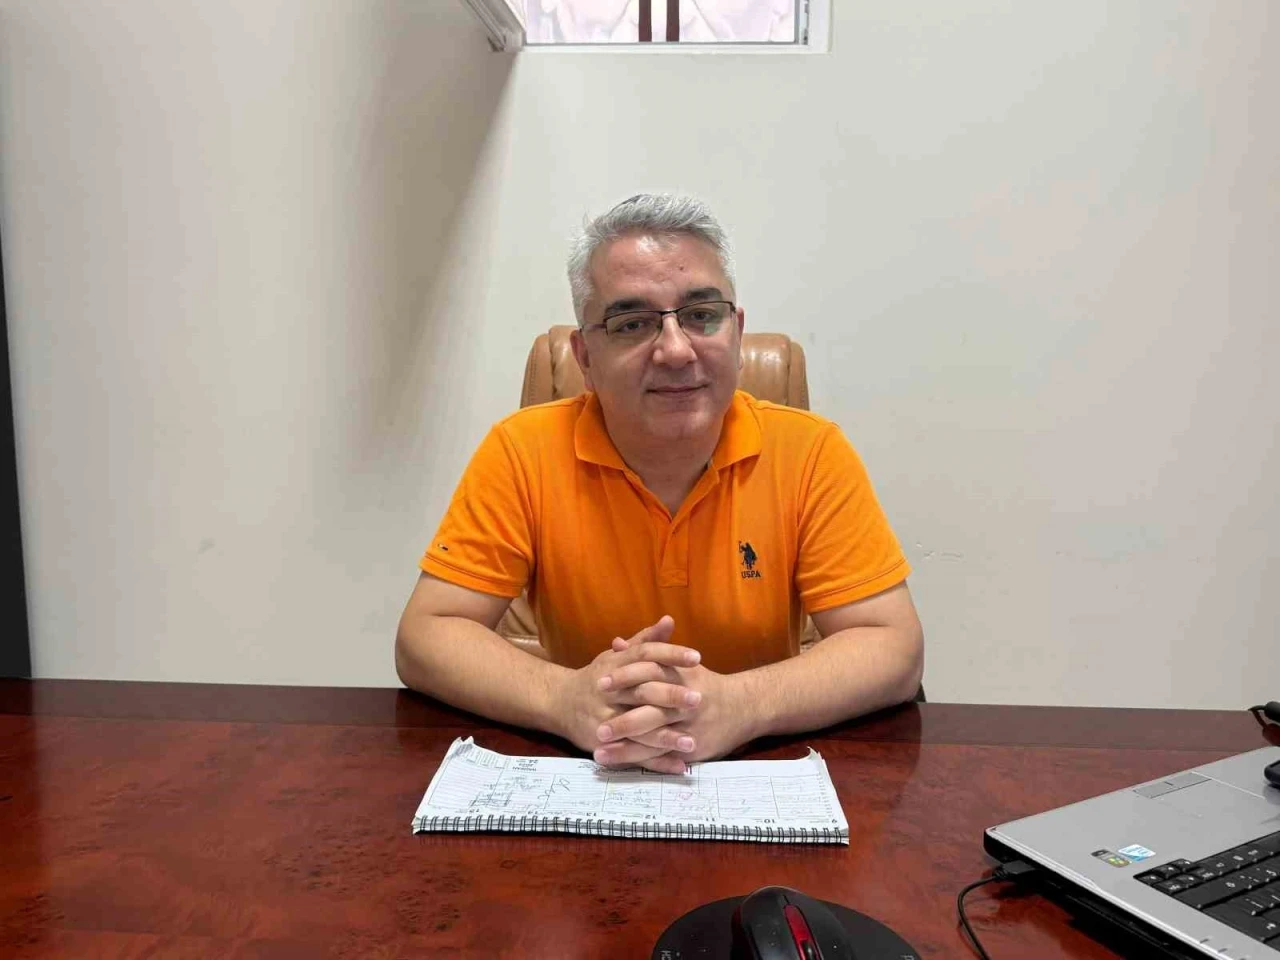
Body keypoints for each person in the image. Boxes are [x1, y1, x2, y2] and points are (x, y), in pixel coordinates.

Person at [396, 194, 923, 774]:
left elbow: (893, 646)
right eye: (632, 324)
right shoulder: (522, 450)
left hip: (758, 766)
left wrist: (740, 705)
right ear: (585, 357)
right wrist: (564, 699)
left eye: (702, 315)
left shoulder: (811, 451)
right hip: (589, 768)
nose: (675, 350)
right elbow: (426, 634)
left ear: (737, 333)